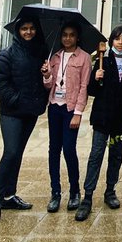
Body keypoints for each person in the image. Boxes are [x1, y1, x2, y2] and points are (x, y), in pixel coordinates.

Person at [0, 15, 45, 229]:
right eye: (24, 29)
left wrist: (45, 75)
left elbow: (43, 82)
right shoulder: (7, 53)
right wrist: (16, 99)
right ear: (18, 31)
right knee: (10, 152)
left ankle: (10, 195)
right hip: (12, 112)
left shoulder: (40, 53)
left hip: (31, 112)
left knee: (18, 153)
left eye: (32, 28)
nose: (28, 32)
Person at [77, 26, 122, 221]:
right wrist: (96, 77)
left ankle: (110, 191)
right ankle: (88, 197)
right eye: (117, 38)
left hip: (121, 120)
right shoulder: (102, 60)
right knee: (96, 155)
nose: (120, 42)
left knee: (116, 156)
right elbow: (92, 90)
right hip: (102, 118)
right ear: (111, 41)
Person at [42, 21, 94, 213]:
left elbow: (84, 87)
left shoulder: (84, 58)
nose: (67, 38)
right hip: (54, 107)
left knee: (69, 149)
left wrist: (78, 113)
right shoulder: (55, 56)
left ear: (77, 37)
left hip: (71, 109)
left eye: (71, 35)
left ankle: (74, 191)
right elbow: (49, 85)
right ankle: (55, 192)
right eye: (64, 34)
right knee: (53, 150)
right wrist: (46, 75)